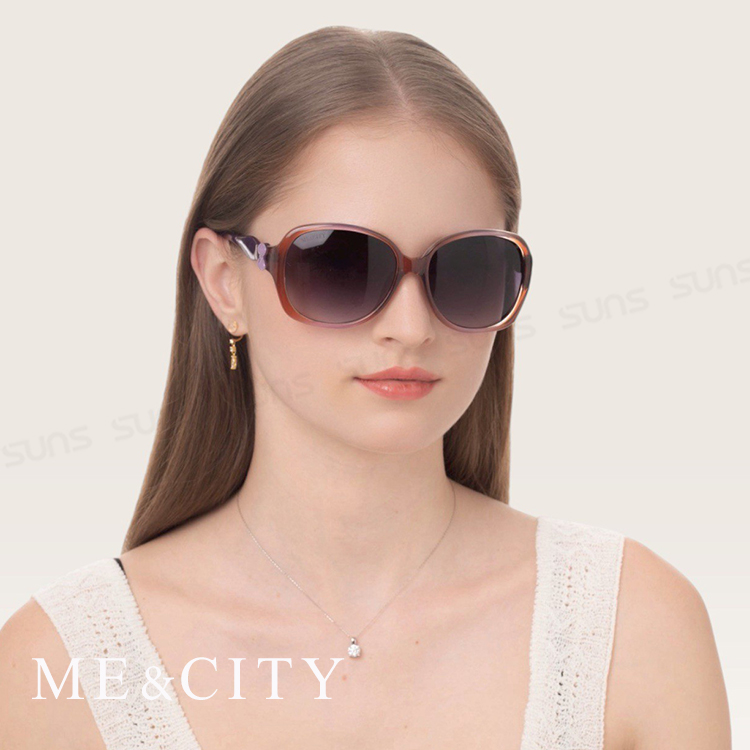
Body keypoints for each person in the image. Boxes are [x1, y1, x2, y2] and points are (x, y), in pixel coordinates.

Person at [0, 26, 731, 750]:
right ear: (224, 282)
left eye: (466, 269)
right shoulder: (65, 662)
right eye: (341, 265)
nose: (410, 327)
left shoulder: (634, 629)